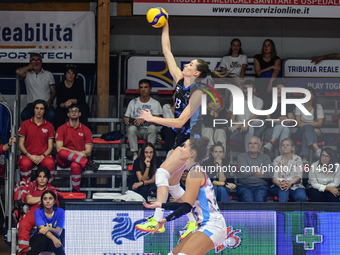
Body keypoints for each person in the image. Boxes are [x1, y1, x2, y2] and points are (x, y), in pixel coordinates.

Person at [136, 20, 229, 237]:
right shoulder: (179, 80)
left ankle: (156, 219)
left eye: (190, 65)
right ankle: (191, 221)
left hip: (193, 140)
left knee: (161, 173)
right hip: (183, 139)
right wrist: (165, 25)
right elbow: (167, 50)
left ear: (196, 73)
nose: (186, 64)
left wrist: (152, 118)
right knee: (174, 184)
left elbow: (179, 122)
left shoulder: (197, 92)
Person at [140, 137, 227, 255]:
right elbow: (185, 203)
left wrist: (165, 218)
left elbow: (186, 206)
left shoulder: (195, 173)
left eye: (184, 147)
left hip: (213, 226)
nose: (180, 149)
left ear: (192, 153)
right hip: (203, 225)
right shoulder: (193, 171)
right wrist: (161, 204)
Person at [56, 104, 97, 192]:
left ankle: (76, 190)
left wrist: (76, 156)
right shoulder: (61, 128)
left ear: (80, 114)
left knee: (75, 165)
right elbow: (59, 149)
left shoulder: (86, 130)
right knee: (62, 152)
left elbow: (88, 151)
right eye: (71, 111)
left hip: (77, 161)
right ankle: (85, 162)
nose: (74, 112)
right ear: (68, 114)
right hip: (64, 160)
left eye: (76, 111)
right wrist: (78, 153)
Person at [17, 167, 56, 254]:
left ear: (48, 179)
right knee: (23, 223)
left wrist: (37, 199)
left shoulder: (52, 189)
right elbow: (29, 200)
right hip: (33, 213)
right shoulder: (31, 190)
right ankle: (23, 251)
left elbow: (52, 201)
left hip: (46, 213)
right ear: (36, 178)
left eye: (44, 177)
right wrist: (44, 198)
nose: (42, 179)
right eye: (39, 176)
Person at [124, 79, 162, 161]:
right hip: (136, 130)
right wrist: (127, 120)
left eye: (145, 87)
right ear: (139, 89)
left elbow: (158, 120)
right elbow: (125, 117)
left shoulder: (155, 103)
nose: (143, 89)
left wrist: (144, 120)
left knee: (152, 127)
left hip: (148, 130)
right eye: (141, 87)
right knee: (131, 128)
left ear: (150, 89)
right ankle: (135, 156)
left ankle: (149, 155)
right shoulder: (133, 102)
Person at [18, 100, 55, 183]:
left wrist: (42, 156)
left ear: (45, 111)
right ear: (33, 110)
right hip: (28, 155)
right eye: (37, 108)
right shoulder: (25, 124)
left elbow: (50, 146)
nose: (39, 111)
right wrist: (30, 156)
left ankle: (48, 186)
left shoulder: (49, 126)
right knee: (24, 163)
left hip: (43, 156)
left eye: (41, 109)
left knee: (50, 163)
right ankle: (26, 185)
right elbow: (20, 144)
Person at [16, 53, 56, 123]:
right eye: (33, 60)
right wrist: (29, 66)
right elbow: (18, 71)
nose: (36, 62)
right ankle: (33, 132)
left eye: (38, 60)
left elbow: (54, 91)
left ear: (41, 62)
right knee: (24, 115)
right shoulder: (27, 74)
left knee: (51, 115)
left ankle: (44, 131)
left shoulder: (48, 74)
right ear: (30, 62)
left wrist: (49, 102)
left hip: (45, 103)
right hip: (32, 104)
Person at [229, 80, 266, 151]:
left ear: (254, 90)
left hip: (252, 126)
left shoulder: (259, 101)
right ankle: (250, 153)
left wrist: (246, 123)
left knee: (261, 123)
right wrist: (242, 126)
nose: (247, 90)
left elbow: (256, 115)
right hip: (240, 131)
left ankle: (249, 154)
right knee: (250, 129)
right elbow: (232, 120)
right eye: (245, 88)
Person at [27, 190, 65, 255]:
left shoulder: (60, 211)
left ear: (54, 201)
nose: (48, 201)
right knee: (43, 239)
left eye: (50, 198)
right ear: (42, 201)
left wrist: (48, 228)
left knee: (53, 237)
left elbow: (59, 232)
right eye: (45, 199)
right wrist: (53, 238)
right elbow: (41, 230)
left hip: (54, 241)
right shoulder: (38, 211)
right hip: (38, 240)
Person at [236, 136, 273, 202]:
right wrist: (258, 169)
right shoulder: (241, 156)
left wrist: (249, 172)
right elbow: (244, 172)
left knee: (259, 201)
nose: (252, 145)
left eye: (255, 143)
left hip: (261, 187)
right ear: (248, 146)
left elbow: (269, 173)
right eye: (250, 143)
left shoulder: (265, 157)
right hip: (244, 186)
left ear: (259, 146)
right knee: (249, 202)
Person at [262, 80, 295, 153]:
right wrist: (276, 121)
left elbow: (291, 119)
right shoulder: (268, 101)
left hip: (283, 132)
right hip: (269, 132)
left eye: (282, 90)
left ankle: (270, 143)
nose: (279, 91)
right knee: (283, 127)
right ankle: (283, 156)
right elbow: (267, 119)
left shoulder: (288, 102)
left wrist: (287, 120)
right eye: (277, 89)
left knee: (284, 127)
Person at [294, 87, 324, 164]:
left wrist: (307, 125)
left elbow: (320, 123)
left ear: (313, 96)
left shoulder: (318, 107)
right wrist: (312, 127)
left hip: (314, 133)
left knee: (306, 135)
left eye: (309, 93)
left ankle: (305, 158)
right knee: (306, 129)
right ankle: (316, 148)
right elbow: (299, 123)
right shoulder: (299, 106)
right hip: (300, 133)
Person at [55, 64, 89, 129]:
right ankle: (59, 133)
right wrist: (65, 104)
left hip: (78, 105)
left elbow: (82, 99)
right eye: (68, 73)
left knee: (83, 110)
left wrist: (71, 101)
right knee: (59, 112)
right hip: (65, 107)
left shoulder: (79, 83)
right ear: (65, 74)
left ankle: (84, 132)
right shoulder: (60, 85)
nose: (71, 75)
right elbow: (59, 102)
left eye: (73, 73)